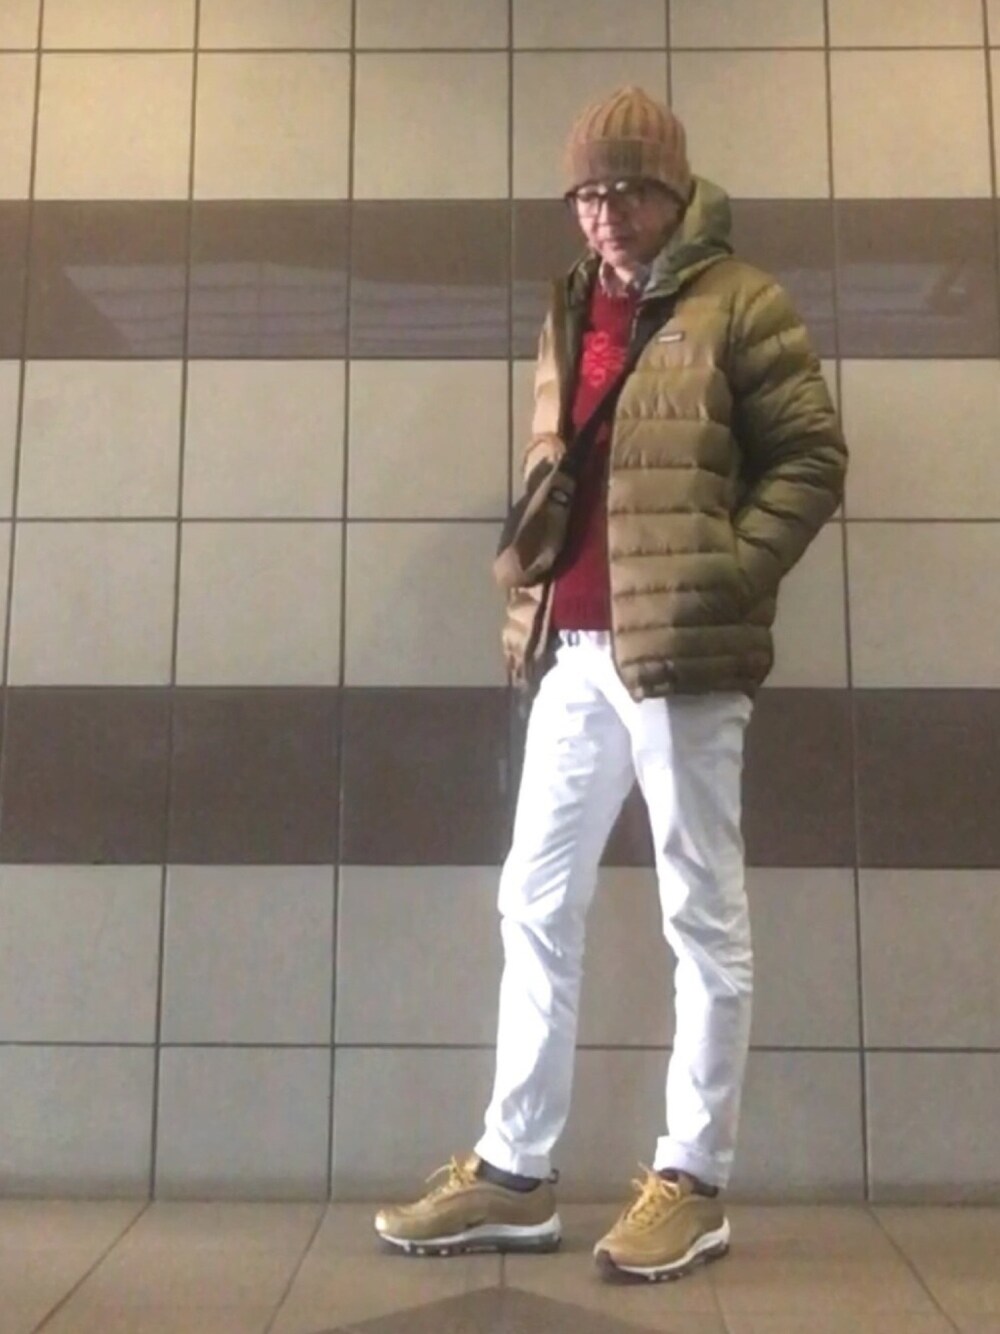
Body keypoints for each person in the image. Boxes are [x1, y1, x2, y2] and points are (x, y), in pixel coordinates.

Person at [374, 86, 846, 1284]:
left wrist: (727, 575)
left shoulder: (741, 303)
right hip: (572, 654)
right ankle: (515, 1170)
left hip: (682, 656)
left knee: (701, 914)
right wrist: (530, 609)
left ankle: (692, 1178)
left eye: (624, 189)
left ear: (673, 191)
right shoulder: (570, 306)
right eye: (585, 193)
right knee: (532, 901)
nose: (602, 212)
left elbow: (811, 455)